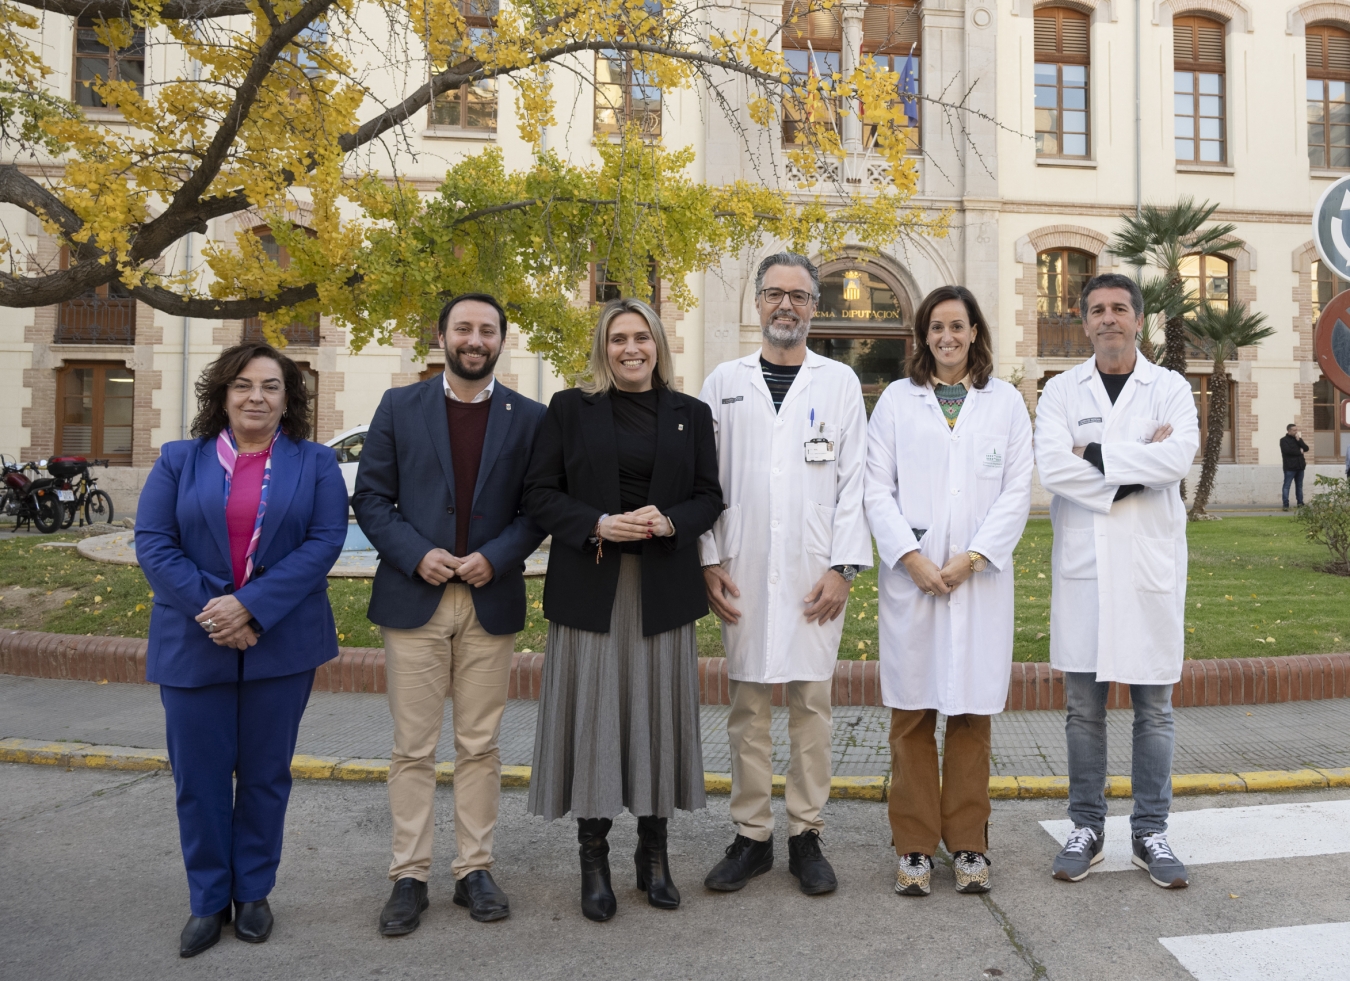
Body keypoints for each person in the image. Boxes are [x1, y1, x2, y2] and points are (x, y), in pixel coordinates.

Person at [135, 343, 348, 957]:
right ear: (222, 394)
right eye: (243, 385)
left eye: (271, 386)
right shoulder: (180, 459)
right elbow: (153, 543)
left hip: (280, 644)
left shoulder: (315, 464)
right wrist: (219, 610)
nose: (257, 396)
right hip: (193, 641)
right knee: (199, 780)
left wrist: (251, 606)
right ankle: (208, 901)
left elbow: (326, 541)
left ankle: (253, 893)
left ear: (289, 398)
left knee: (264, 776)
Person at [352, 293, 547, 934]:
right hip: (417, 597)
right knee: (412, 748)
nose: (474, 339)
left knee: (480, 745)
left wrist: (497, 556)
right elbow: (373, 497)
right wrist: (416, 554)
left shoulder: (530, 418)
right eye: (463, 327)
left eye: (486, 330)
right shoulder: (398, 406)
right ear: (442, 336)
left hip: (490, 597)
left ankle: (474, 870)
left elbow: (536, 508)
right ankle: (408, 876)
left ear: (501, 342)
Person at [523, 297, 723, 922]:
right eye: (618, 339)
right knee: (596, 723)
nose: (630, 348)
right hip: (593, 588)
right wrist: (599, 524)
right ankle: (594, 861)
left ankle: (654, 858)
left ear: (659, 345)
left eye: (641, 337)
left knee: (655, 721)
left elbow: (709, 497)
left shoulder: (691, 414)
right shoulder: (569, 409)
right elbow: (538, 494)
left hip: (662, 590)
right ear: (602, 348)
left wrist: (668, 521)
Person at [698, 252, 872, 896]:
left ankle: (805, 834)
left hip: (813, 570)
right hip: (743, 566)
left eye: (799, 297)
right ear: (757, 303)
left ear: (815, 309)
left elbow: (856, 482)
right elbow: (703, 482)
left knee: (811, 706)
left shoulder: (840, 383)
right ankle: (751, 836)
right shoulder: (724, 381)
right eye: (775, 295)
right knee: (747, 707)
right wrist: (708, 559)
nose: (786, 307)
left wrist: (844, 566)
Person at [863, 286, 1033, 897]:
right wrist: (910, 558)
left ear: (975, 332)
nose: (947, 337)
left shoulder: (1005, 402)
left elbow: (1017, 489)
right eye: (937, 327)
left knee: (969, 716)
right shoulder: (896, 403)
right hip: (914, 582)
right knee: (911, 715)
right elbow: (875, 487)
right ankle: (913, 847)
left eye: (957, 326)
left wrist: (974, 558)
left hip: (976, 583)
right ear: (922, 336)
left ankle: (968, 843)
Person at [1035, 273, 1199, 890]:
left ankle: (1151, 832)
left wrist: (1096, 456)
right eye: (1098, 310)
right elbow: (1051, 465)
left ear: (1138, 320)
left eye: (1120, 309)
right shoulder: (1059, 391)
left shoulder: (1172, 387)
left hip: (1148, 568)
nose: (1109, 318)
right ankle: (1087, 827)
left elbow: (1178, 458)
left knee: (1154, 708)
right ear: (1085, 322)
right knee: (1083, 709)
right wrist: (1136, 462)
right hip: (1085, 570)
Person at [1279, 423, 1310, 510]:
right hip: (1290, 467)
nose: (1296, 432)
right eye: (1294, 430)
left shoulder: (1298, 439)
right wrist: (1299, 452)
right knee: (1287, 485)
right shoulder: (1283, 440)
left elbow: (1306, 448)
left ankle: (1300, 502)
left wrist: (1299, 440)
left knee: (1299, 486)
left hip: (1300, 466)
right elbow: (1287, 451)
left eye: (1297, 430)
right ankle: (1285, 504)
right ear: (1289, 431)